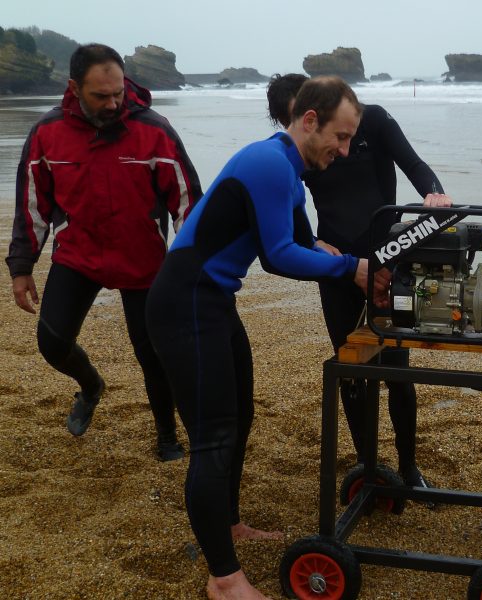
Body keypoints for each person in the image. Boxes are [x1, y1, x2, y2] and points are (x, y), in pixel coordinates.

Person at [145, 76, 384, 600]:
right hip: (186, 301)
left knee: (240, 417)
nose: (343, 151)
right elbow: (279, 256)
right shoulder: (269, 164)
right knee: (213, 437)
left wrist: (361, 263)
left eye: (350, 141)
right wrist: (351, 269)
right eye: (339, 138)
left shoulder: (287, 172)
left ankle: (227, 523)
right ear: (309, 120)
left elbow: (304, 242)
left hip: (210, 299)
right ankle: (225, 580)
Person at [5, 43, 202, 461]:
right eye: (101, 96)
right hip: (78, 256)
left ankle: (167, 435)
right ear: (74, 87)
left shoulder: (154, 130)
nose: (114, 103)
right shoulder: (47, 133)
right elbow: (32, 206)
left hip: (143, 261)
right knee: (52, 343)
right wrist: (21, 267)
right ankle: (92, 384)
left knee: (154, 355)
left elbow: (187, 204)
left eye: (118, 92)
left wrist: (194, 269)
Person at [267, 73, 452, 491]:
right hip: (335, 266)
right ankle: (369, 468)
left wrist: (435, 195)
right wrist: (311, 241)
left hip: (387, 260)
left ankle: (408, 467)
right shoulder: (295, 149)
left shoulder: (374, 121)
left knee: (397, 372)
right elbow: (292, 205)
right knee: (352, 371)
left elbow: (416, 165)